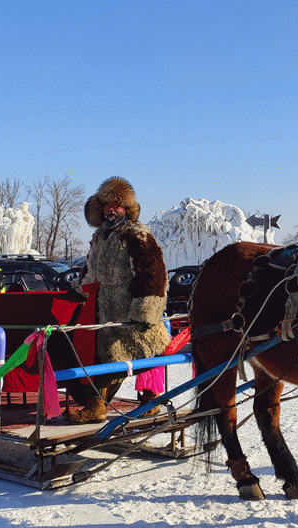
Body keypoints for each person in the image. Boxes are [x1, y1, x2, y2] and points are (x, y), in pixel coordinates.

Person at [67, 176, 169, 423]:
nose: (111, 209)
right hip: (105, 310)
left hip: (131, 310)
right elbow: (90, 269)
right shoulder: (100, 236)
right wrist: (79, 289)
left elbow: (153, 270)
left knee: (148, 353)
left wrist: (146, 309)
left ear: (126, 208)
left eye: (117, 204)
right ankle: (96, 406)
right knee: (104, 357)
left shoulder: (136, 233)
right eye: (106, 205)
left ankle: (150, 400)